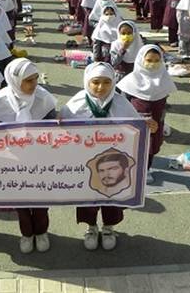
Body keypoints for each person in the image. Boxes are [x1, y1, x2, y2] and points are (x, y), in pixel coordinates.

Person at [60, 62, 149, 251]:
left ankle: (108, 228)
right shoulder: (75, 105)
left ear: (113, 82)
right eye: (96, 82)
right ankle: (91, 227)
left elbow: (136, 129)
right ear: (87, 82)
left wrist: (149, 126)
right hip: (85, 164)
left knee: (112, 197)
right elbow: (62, 133)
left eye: (107, 82)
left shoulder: (121, 104)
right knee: (88, 196)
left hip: (113, 164)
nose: (101, 87)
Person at [0, 58, 57, 254]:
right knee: (21, 201)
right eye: (28, 80)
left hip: (40, 160)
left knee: (41, 200)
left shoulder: (44, 98)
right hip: (13, 162)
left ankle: (41, 232)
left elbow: (53, 127)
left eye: (36, 78)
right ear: (15, 80)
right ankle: (26, 234)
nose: (34, 84)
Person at [116, 45, 172, 182]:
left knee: (151, 147)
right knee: (134, 147)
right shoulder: (130, 81)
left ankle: (146, 170)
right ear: (141, 60)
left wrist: (162, 122)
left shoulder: (164, 80)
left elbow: (164, 104)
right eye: (149, 60)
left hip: (155, 124)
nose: (153, 64)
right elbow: (123, 104)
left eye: (156, 60)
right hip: (135, 124)